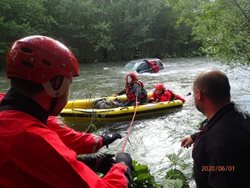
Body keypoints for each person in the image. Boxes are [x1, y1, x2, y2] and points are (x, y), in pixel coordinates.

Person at [0, 35, 133, 187]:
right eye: (69, 83)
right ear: (56, 85)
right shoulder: (36, 139)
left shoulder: (18, 113)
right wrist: (123, 166)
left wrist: (84, 161)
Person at [181, 70, 250, 188]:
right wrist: (194, 136)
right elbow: (221, 126)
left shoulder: (216, 144)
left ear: (199, 94)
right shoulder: (241, 115)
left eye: (193, 94)